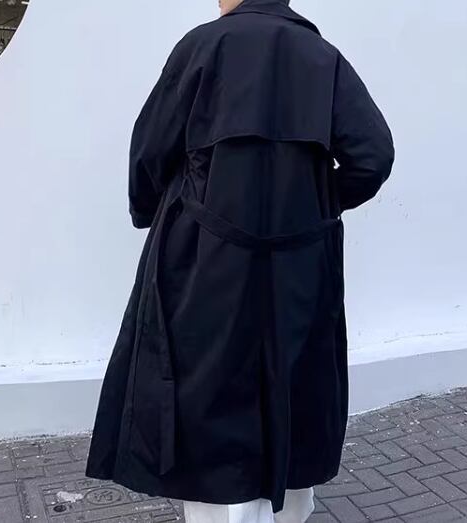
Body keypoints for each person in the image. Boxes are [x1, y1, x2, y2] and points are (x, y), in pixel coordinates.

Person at [84, 0, 395, 521]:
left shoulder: (203, 46)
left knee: (206, 393)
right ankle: (289, 509)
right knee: (292, 386)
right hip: (298, 265)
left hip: (205, 259)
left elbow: (151, 151)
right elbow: (374, 155)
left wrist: (151, 210)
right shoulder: (323, 57)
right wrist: (315, 203)